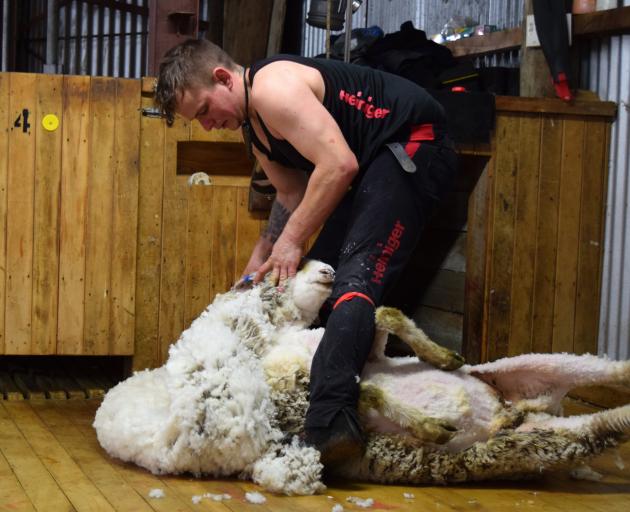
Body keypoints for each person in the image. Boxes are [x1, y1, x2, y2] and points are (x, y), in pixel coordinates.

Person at [155, 39, 458, 466]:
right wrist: (260, 258)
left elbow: (337, 165)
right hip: (373, 162)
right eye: (198, 122)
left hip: (413, 144)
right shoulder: (254, 130)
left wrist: (292, 241)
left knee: (355, 279)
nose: (207, 126)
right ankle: (305, 406)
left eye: (204, 111)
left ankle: (331, 424)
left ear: (223, 78)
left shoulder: (271, 88)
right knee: (318, 276)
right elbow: (292, 195)